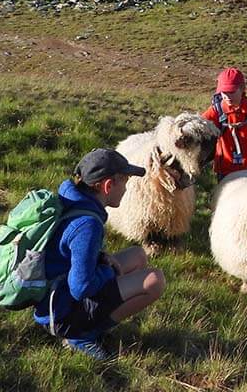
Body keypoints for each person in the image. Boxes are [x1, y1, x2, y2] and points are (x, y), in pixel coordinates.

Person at [33, 148, 167, 360]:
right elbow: (81, 288)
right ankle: (82, 335)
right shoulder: (88, 224)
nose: (126, 189)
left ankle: (94, 318)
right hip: (62, 314)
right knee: (154, 280)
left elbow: (67, 251)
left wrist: (102, 258)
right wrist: (109, 272)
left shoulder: (73, 200)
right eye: (124, 182)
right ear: (108, 186)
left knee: (137, 255)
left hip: (53, 297)